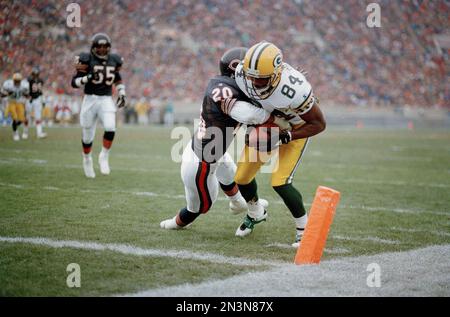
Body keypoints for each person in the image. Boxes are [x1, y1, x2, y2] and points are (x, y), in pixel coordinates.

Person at [160, 47, 290, 230]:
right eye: (250, 72)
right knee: (200, 207)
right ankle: (174, 224)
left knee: (229, 172)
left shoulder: (230, 86)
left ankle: (238, 203)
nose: (253, 77)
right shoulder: (224, 91)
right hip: (200, 163)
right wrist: (278, 120)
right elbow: (250, 114)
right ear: (236, 69)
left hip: (212, 151)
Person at [233, 41, 326, 247]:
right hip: (268, 126)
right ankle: (256, 213)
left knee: (280, 182)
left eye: (262, 79)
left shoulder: (294, 88)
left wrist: (287, 136)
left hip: (295, 130)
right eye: (252, 77)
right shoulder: (242, 74)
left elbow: (319, 124)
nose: (255, 83)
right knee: (241, 177)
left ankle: (304, 229)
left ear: (276, 74)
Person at [71, 33, 126, 178]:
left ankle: (104, 155)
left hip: (106, 99)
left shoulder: (114, 60)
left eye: (105, 46)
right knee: (88, 135)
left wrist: (122, 93)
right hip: (90, 100)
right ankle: (87, 159)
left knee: (110, 127)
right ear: (94, 47)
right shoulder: (86, 59)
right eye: (99, 46)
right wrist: (87, 78)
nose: (102, 49)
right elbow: (74, 83)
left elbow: (117, 78)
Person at [1, 73, 29, 141]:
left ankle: (20, 130)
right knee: (15, 118)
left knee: (22, 119)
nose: (17, 82)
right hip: (11, 102)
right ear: (13, 80)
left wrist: (26, 95)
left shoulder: (24, 85)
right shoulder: (8, 84)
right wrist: (7, 94)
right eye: (16, 81)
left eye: (18, 81)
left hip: (19, 102)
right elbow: (2, 95)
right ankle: (15, 133)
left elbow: (26, 94)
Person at [26, 67, 47, 138]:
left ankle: (39, 133)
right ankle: (25, 132)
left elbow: (40, 91)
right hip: (30, 99)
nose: (35, 75)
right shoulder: (29, 80)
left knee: (38, 117)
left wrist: (43, 100)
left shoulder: (35, 80)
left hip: (37, 99)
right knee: (27, 116)